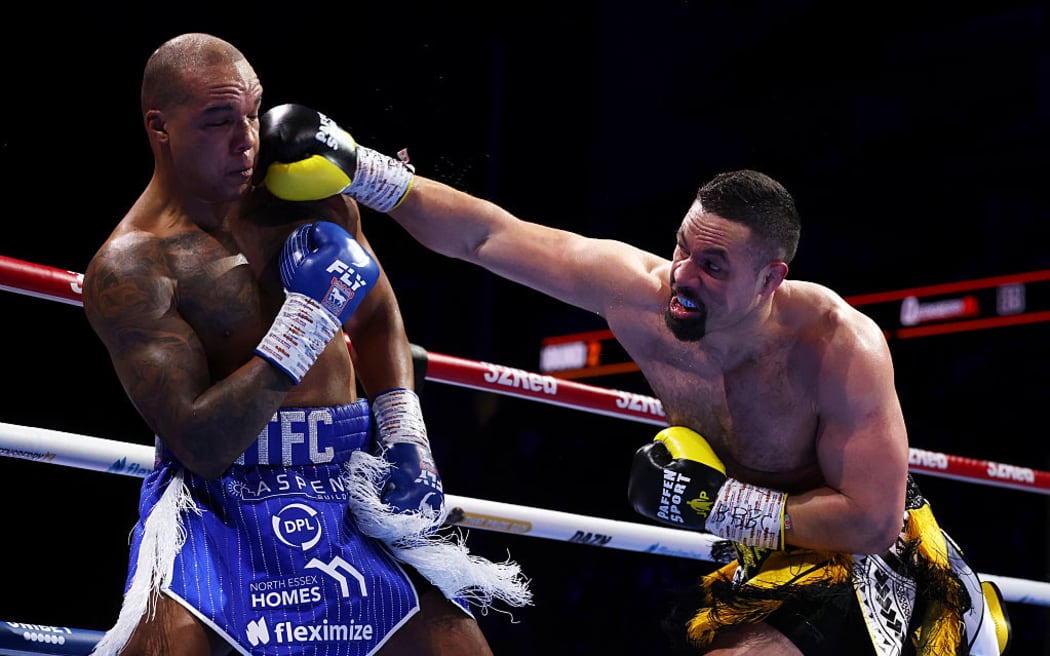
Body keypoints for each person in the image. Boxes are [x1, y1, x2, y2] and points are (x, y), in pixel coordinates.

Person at [254, 102, 1013, 655]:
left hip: (874, 569)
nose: (684, 277)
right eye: (682, 248)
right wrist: (366, 170)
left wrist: (722, 504)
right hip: (767, 565)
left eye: (714, 266)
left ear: (771, 278)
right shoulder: (639, 293)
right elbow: (490, 235)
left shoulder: (838, 345)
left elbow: (872, 520)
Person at [81, 34, 528, 656]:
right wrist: (308, 322)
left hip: (344, 491)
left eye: (250, 113)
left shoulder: (302, 192)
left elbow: (376, 315)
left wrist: (404, 432)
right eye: (217, 122)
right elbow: (201, 444)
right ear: (159, 127)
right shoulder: (133, 267)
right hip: (218, 510)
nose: (247, 139)